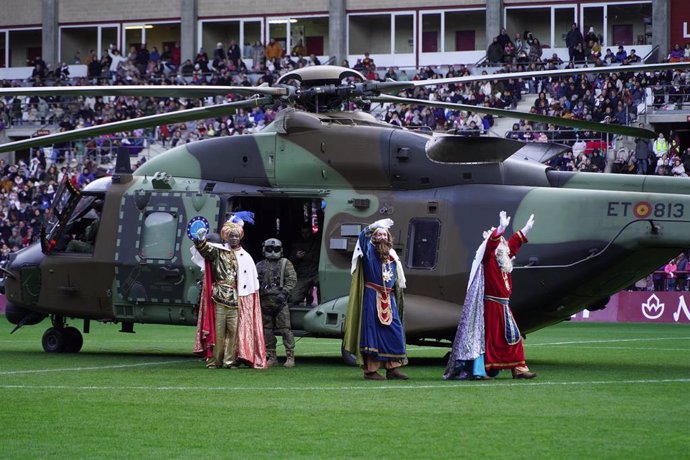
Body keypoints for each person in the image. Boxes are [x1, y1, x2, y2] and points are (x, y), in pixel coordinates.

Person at [445, 211, 537, 380]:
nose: (504, 242)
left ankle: (519, 369)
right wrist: (501, 228)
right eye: (501, 240)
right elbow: (491, 246)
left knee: (513, 337)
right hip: (491, 305)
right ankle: (486, 369)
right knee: (492, 339)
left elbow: (513, 245)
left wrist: (525, 230)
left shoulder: (504, 258)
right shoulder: (488, 258)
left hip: (503, 306)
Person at [191, 212, 266, 369]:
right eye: (231, 236)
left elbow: (249, 282)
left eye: (236, 236)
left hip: (236, 300)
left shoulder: (246, 256)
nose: (233, 238)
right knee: (218, 331)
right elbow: (205, 251)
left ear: (240, 237)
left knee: (234, 332)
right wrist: (200, 240)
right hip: (219, 298)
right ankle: (215, 361)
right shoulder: (218, 251)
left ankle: (229, 361)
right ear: (226, 236)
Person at [343, 219, 408, 381]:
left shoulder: (391, 254)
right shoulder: (368, 251)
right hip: (372, 297)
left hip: (389, 298)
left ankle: (393, 369)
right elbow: (363, 237)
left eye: (384, 234)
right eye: (378, 234)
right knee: (372, 333)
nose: (381, 237)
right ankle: (370, 371)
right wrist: (371, 227)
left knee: (395, 330)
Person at [256, 238, 298, 368]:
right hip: (265, 301)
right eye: (269, 249)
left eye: (276, 249)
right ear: (264, 250)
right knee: (267, 330)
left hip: (280, 301)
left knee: (285, 329)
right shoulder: (259, 265)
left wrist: (284, 292)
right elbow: (254, 280)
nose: (273, 252)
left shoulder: (286, 264)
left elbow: (292, 279)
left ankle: (290, 356)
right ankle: (272, 356)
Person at [289, 224, 320, 306]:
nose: (305, 235)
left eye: (307, 232)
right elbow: (290, 261)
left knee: (325, 289)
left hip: (316, 273)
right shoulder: (297, 243)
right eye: (303, 233)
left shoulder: (317, 242)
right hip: (303, 275)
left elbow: (317, 257)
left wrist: (305, 256)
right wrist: (297, 256)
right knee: (293, 298)